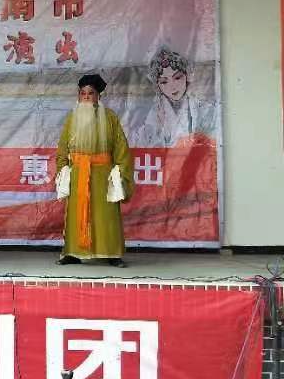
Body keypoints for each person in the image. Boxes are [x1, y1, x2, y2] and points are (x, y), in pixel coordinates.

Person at [55, 74, 133, 267]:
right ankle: (73, 252)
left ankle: (112, 253)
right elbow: (63, 147)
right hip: (78, 174)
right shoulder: (72, 118)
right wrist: (62, 169)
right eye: (83, 93)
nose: (86, 97)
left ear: (98, 96)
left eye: (90, 93)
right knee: (76, 215)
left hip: (103, 175)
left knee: (106, 216)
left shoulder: (110, 117)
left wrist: (120, 172)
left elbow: (121, 148)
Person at [136, 46, 216, 147]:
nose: (172, 86)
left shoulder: (203, 108)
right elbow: (144, 145)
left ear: (187, 76)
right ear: (158, 86)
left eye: (177, 77)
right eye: (164, 82)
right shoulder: (155, 113)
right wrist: (160, 129)